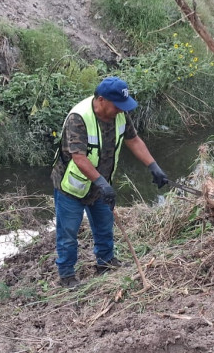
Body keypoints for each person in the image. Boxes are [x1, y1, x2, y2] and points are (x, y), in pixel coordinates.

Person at [51, 76, 168, 289]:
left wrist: (153, 166)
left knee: (105, 226)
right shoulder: (79, 118)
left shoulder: (120, 114)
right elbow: (79, 158)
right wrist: (101, 183)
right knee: (68, 234)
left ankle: (105, 262)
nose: (122, 110)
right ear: (102, 100)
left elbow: (133, 140)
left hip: (100, 185)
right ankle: (66, 275)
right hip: (72, 188)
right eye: (117, 106)